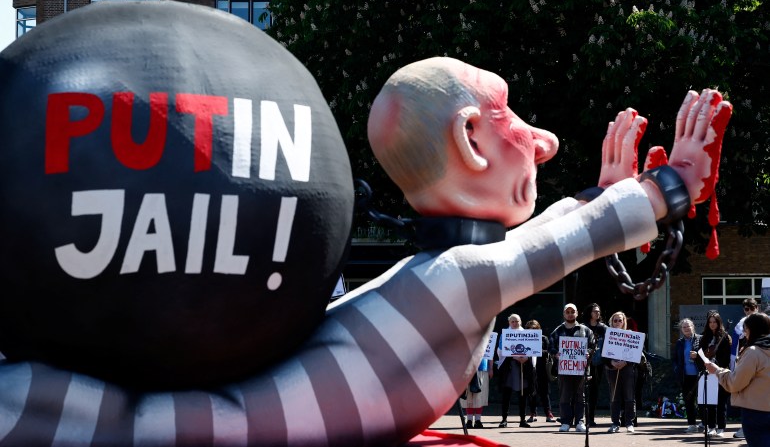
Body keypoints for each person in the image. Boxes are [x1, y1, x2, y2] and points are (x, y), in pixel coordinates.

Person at [0, 57, 733, 446]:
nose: (540, 140)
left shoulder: (419, 278)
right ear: (472, 140)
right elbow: (551, 247)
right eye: (512, 116)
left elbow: (545, 238)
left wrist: (601, 199)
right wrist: (671, 185)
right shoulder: (453, 280)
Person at [706, 313, 770, 447]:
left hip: (756, 413)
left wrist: (717, 371)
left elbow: (735, 383)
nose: (745, 334)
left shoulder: (753, 352)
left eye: (746, 330)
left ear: (752, 330)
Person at [549, 303, 594, 433]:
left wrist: (588, 352)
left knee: (581, 396)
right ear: (564, 314)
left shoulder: (585, 330)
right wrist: (555, 353)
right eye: (567, 312)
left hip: (580, 369)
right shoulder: (557, 331)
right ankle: (565, 422)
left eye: (572, 311)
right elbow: (551, 346)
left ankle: (580, 421)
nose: (570, 314)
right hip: (564, 369)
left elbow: (592, 345)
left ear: (577, 313)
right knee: (564, 396)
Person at [695, 310, 732, 437]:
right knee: (710, 401)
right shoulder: (704, 336)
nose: (712, 324)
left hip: (721, 371)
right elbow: (700, 354)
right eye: (710, 322)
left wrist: (717, 366)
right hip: (707, 373)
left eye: (714, 322)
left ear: (718, 322)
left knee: (721, 401)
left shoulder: (725, 336)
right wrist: (704, 365)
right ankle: (711, 427)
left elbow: (727, 357)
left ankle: (721, 428)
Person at [497, 314, 535, 428]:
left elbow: (533, 348)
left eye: (516, 321)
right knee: (506, 394)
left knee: (522, 394)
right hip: (509, 367)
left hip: (523, 367)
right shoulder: (504, 334)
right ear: (509, 322)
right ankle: (504, 419)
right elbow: (500, 350)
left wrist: (527, 358)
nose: (514, 323)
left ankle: (522, 419)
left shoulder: (527, 334)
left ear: (520, 321)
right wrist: (515, 357)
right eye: (512, 321)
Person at [604, 311, 637, 434]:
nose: (618, 322)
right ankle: (615, 423)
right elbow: (603, 355)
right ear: (611, 322)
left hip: (627, 369)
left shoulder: (630, 335)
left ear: (624, 322)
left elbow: (635, 353)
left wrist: (626, 362)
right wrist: (612, 363)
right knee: (614, 396)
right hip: (612, 369)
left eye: (620, 320)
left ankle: (629, 422)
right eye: (615, 320)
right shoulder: (607, 335)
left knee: (629, 396)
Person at [732, 297, 759, 439]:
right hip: (748, 361)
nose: (749, 311)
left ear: (757, 308)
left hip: (761, 363)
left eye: (751, 308)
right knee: (746, 395)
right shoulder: (742, 323)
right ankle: (745, 428)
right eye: (746, 308)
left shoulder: (764, 321)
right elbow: (738, 343)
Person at [673, 318, 703, 433]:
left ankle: (705, 423)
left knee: (702, 401)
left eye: (688, 326)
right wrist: (676, 369)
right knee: (689, 401)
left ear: (693, 327)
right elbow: (675, 359)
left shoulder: (700, 339)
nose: (686, 329)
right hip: (686, 376)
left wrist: (698, 356)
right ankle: (692, 425)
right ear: (681, 329)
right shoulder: (680, 342)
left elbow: (708, 355)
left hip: (699, 375)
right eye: (684, 327)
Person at [525, 319, 556, 423]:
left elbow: (549, 351)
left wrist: (538, 351)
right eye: (529, 329)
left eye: (534, 328)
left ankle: (548, 413)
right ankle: (533, 413)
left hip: (542, 368)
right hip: (529, 368)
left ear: (538, 329)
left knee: (544, 392)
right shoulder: (524, 339)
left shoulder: (543, 339)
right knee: (531, 392)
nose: (532, 330)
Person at [583, 303, 607, 427]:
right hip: (583, 363)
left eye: (598, 311)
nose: (597, 313)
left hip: (597, 363)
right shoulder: (582, 327)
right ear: (589, 313)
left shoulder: (603, 328)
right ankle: (575, 418)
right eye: (594, 311)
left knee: (593, 391)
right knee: (579, 390)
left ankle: (590, 418)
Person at [460, 358, 494, 428]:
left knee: (480, 396)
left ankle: (478, 420)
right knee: (469, 396)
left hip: (482, 368)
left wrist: (491, 368)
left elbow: (490, 354)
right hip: (468, 368)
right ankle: (469, 420)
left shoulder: (487, 346)